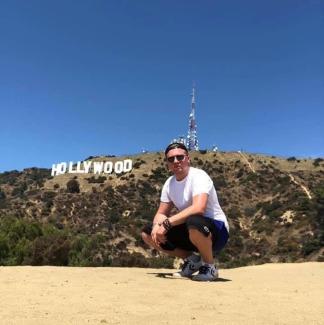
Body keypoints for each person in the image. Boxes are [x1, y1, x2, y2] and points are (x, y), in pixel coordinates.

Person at [141, 142, 229, 281]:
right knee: (147, 233)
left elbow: (198, 208)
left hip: (217, 231)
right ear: (168, 164)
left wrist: (166, 224)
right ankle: (192, 260)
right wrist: (157, 225)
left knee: (194, 221)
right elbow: (161, 213)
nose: (176, 161)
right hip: (191, 231)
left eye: (179, 157)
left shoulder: (199, 176)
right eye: (171, 159)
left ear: (188, 158)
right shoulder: (169, 184)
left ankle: (209, 266)